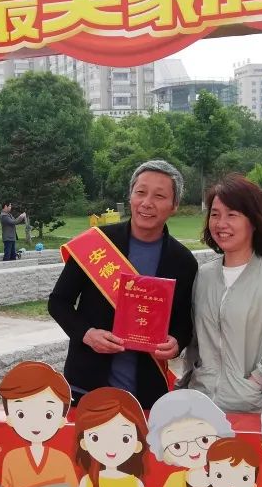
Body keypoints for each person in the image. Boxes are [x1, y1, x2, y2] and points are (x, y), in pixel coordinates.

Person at [48, 160, 198, 410]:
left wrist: (176, 344)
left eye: (159, 196)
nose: (147, 202)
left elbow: (184, 322)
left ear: (174, 205)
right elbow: (58, 302)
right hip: (86, 384)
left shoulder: (183, 261)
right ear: (130, 197)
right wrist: (87, 334)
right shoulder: (96, 244)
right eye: (141, 192)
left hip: (147, 393)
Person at [179, 173, 262, 413]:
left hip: (254, 409)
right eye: (215, 214)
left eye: (232, 215)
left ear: (254, 220)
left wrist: (257, 381)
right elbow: (196, 343)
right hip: (203, 406)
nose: (221, 223)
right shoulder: (204, 276)